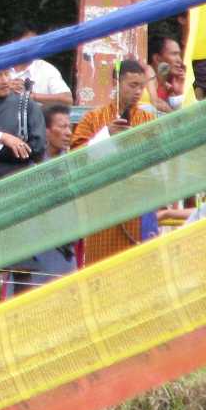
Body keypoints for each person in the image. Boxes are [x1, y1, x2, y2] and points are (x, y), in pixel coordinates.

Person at [71, 58, 156, 264]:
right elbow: (76, 158)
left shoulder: (148, 121)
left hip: (137, 205)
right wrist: (106, 134)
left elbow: (157, 159)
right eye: (132, 85)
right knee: (100, 270)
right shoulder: (93, 118)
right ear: (117, 83)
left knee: (137, 269)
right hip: (102, 206)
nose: (137, 92)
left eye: (141, 87)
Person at [0, 103, 77, 297]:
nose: (68, 132)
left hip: (62, 250)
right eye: (62, 126)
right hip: (31, 250)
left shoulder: (73, 164)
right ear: (46, 131)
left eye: (70, 127)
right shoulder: (25, 165)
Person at [0, 22, 72, 106]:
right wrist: (2, 89)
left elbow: (67, 99)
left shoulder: (46, 69)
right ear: (14, 44)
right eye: (28, 43)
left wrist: (31, 96)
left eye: (36, 43)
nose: (33, 47)